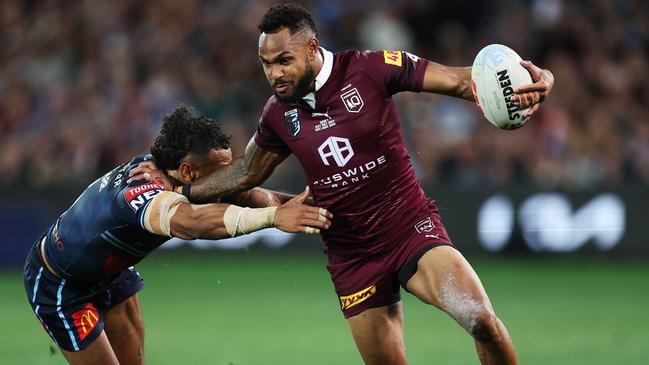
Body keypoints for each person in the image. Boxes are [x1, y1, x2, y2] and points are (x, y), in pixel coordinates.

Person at [132, 4, 554, 364]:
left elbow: (463, 80)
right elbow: (245, 172)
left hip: (409, 228)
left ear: (312, 48)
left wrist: (527, 80)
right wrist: (178, 190)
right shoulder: (278, 115)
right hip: (351, 254)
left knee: (479, 318)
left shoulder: (371, 68)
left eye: (284, 61)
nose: (274, 74)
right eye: (266, 64)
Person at [23, 105, 332, 365]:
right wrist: (273, 218)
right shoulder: (140, 191)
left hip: (110, 273)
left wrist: (296, 204)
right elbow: (192, 222)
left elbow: (247, 195)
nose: (228, 178)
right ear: (187, 171)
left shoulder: (178, 174)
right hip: (60, 284)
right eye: (220, 171)